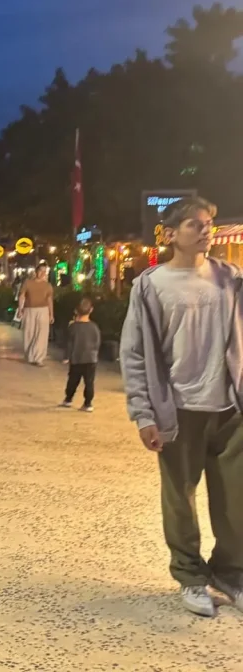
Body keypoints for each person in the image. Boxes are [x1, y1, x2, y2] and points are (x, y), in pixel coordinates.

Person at [120, 196, 243, 618]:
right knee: (180, 500)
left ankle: (230, 574)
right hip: (179, 411)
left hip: (231, 410)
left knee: (236, 501)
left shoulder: (231, 279)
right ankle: (190, 575)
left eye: (208, 223)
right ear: (170, 234)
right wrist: (144, 413)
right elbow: (134, 354)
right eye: (195, 224)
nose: (206, 230)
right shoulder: (151, 286)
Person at [61, 298, 100, 412]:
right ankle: (88, 403)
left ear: (76, 311)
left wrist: (66, 357)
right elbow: (97, 342)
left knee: (73, 380)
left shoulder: (73, 327)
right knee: (89, 382)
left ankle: (68, 399)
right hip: (91, 359)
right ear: (91, 310)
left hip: (77, 358)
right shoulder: (94, 327)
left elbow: (69, 343)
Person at [15, 264, 54, 365]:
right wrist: (20, 309)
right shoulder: (28, 283)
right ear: (36, 271)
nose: (43, 273)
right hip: (29, 310)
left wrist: (51, 314)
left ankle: (39, 358)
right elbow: (22, 296)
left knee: (42, 334)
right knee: (29, 333)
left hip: (43, 310)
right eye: (41, 270)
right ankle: (30, 356)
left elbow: (49, 300)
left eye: (45, 271)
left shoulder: (48, 285)